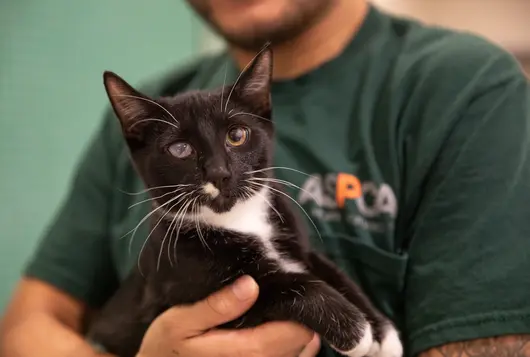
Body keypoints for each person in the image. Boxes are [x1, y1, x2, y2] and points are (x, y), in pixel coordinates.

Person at [1, 0, 529, 356]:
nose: (217, 166)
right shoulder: (158, 108)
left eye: (234, 140)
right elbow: (24, 329)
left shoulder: (464, 90)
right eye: (185, 150)